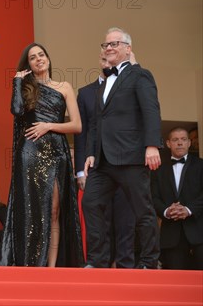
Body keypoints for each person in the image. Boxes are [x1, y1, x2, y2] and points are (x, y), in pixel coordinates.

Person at [82, 27, 163, 269]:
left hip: (131, 156)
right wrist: (90, 152)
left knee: (142, 210)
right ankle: (97, 261)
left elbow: (151, 111)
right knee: (90, 203)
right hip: (103, 160)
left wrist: (151, 145)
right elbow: (97, 121)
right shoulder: (104, 82)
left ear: (128, 49)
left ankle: (149, 261)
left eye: (115, 44)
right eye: (105, 44)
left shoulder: (140, 75)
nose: (109, 48)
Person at [0, 43, 83, 267]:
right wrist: (17, 82)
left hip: (56, 153)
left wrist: (48, 126)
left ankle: (51, 267)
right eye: (33, 57)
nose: (38, 59)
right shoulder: (26, 87)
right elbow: (16, 111)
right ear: (28, 64)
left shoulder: (64, 86)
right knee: (32, 211)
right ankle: (30, 264)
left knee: (54, 210)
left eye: (41, 55)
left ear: (48, 58)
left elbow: (76, 125)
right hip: (29, 152)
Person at [74, 50, 136, 268]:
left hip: (125, 164)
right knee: (97, 216)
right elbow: (81, 134)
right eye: (103, 58)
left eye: (111, 57)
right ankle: (97, 263)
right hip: (98, 167)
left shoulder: (130, 85)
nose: (107, 61)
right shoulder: (85, 93)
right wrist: (80, 172)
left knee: (125, 219)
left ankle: (126, 265)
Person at [151, 127, 203, 270]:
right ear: (168, 143)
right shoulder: (157, 168)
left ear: (189, 143)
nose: (179, 143)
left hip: (199, 232)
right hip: (171, 236)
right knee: (176, 281)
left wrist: (188, 209)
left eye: (183, 139)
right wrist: (167, 210)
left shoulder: (201, 165)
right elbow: (152, 197)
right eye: (175, 140)